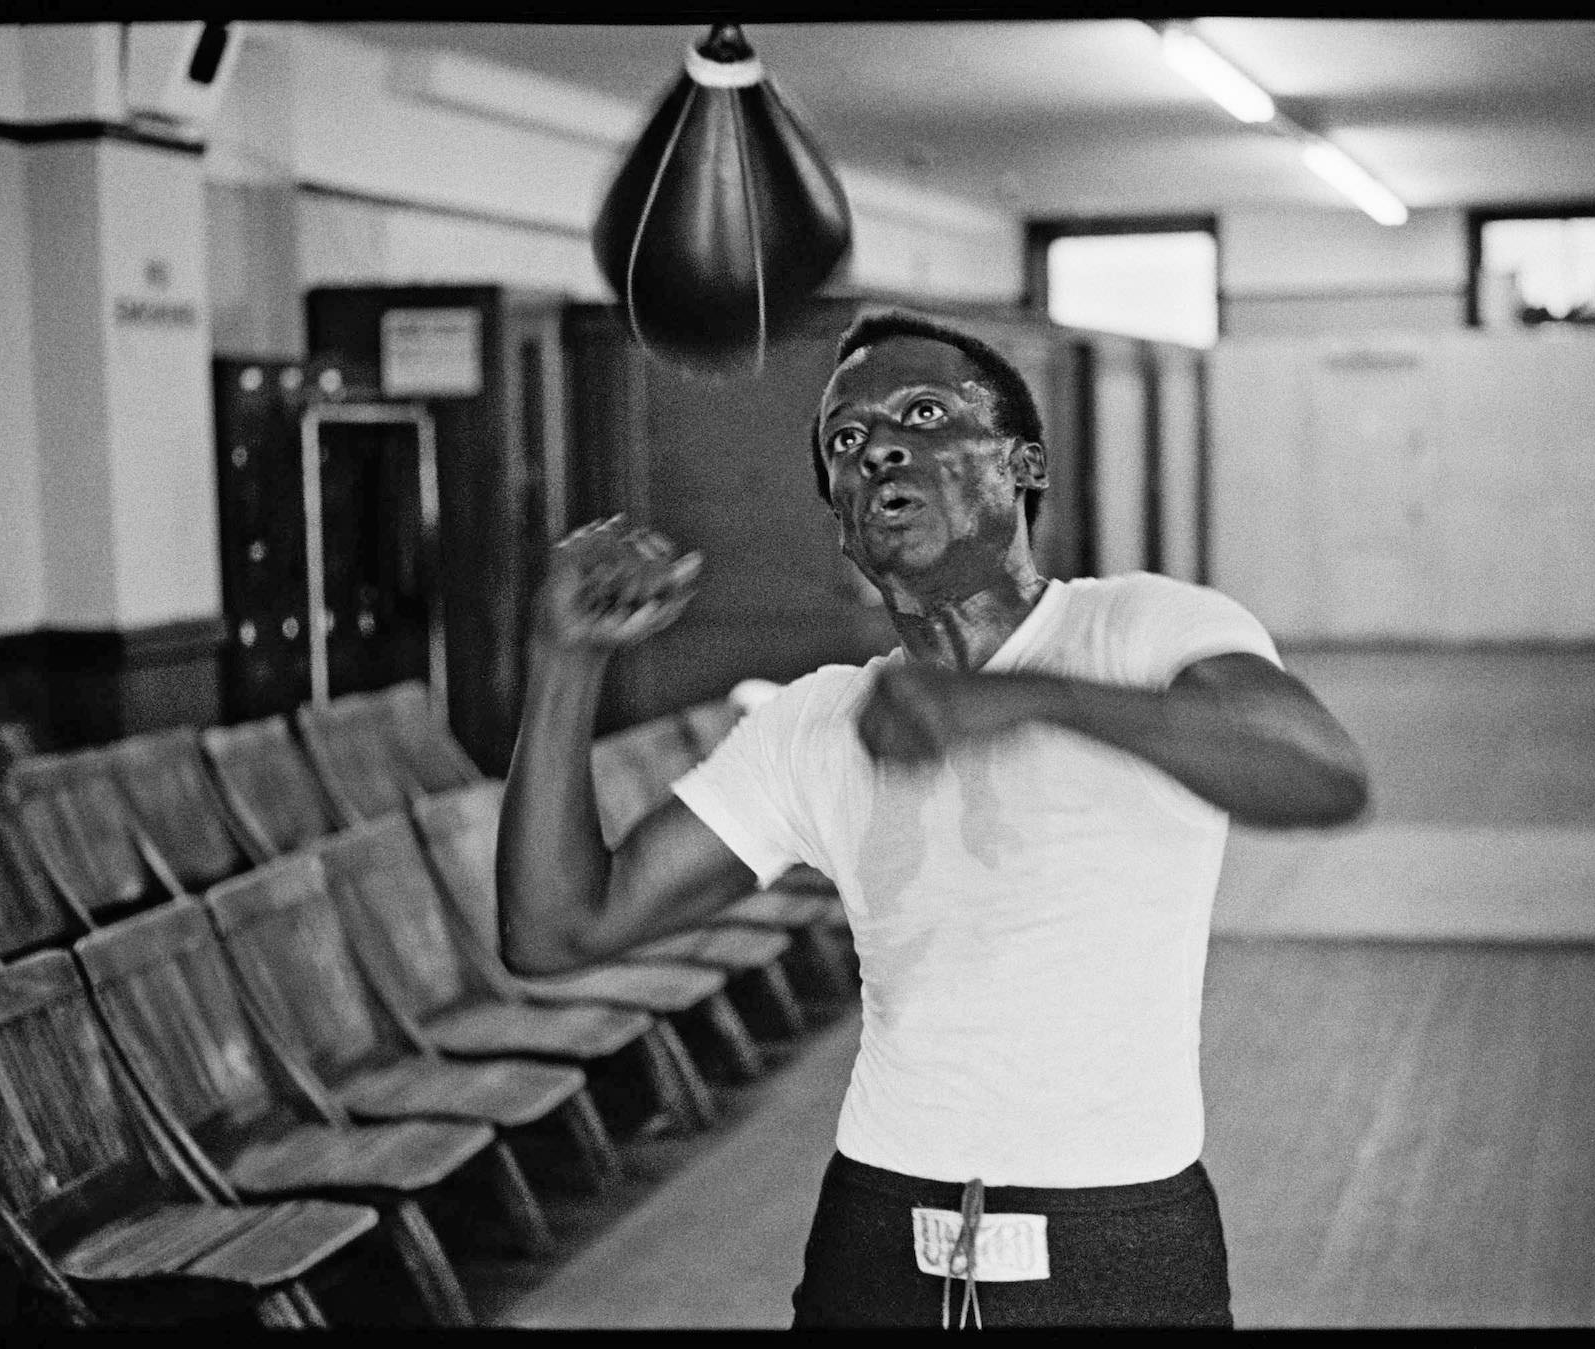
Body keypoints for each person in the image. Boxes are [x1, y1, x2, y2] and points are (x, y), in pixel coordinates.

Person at [496, 309, 1370, 1328]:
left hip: (1118, 1232)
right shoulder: (818, 721)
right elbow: (558, 928)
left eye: (922, 413)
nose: (879, 452)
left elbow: (1319, 771)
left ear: (1022, 461)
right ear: (838, 514)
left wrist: (1028, 698)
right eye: (846, 442)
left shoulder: (1141, 627)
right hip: (878, 1230)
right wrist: (565, 660)